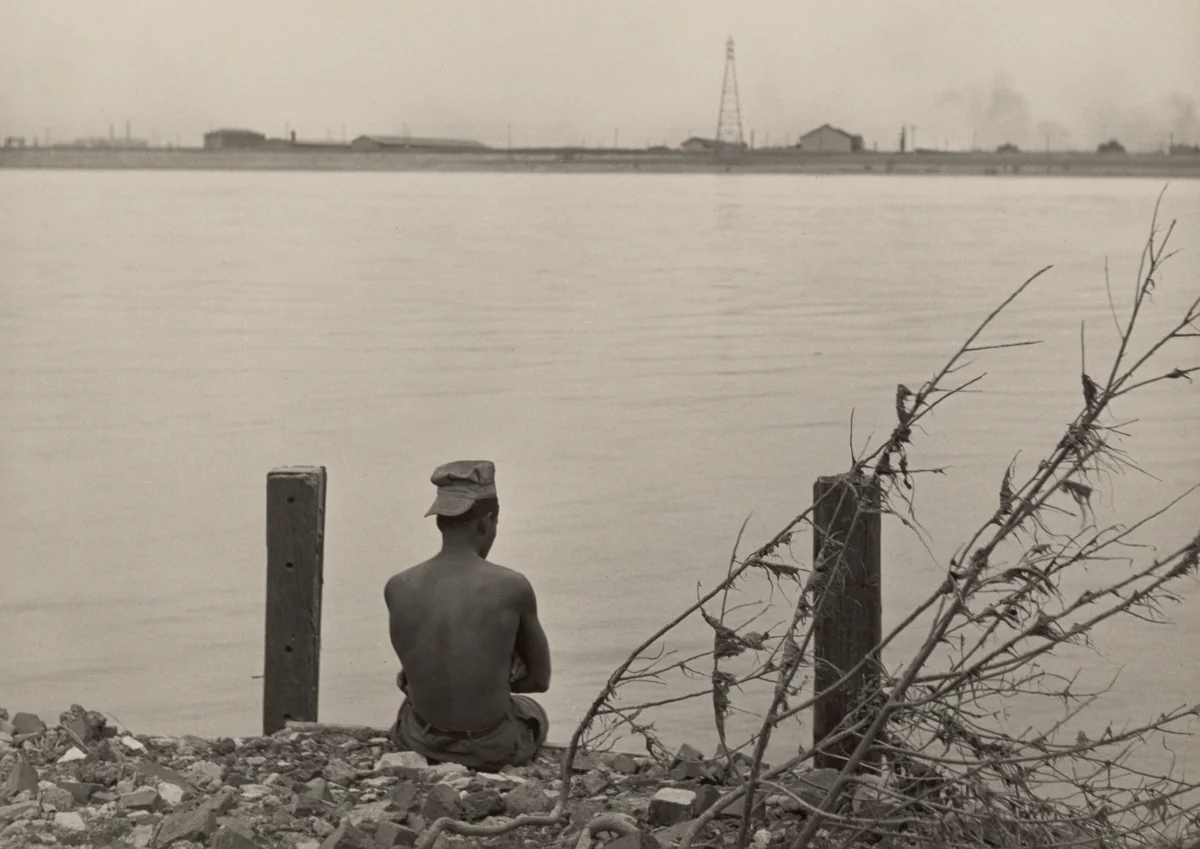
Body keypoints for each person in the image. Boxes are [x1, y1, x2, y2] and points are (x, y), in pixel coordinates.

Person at [384, 460, 552, 771]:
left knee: (411, 701)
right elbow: (540, 680)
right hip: (492, 748)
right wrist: (497, 672)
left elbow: (414, 677)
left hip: (421, 740)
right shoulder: (513, 585)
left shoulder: (398, 585)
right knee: (532, 710)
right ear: (487, 522)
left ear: (440, 523)